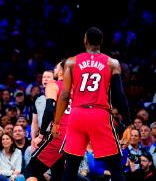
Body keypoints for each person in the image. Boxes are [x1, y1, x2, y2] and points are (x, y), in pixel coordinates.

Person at [51, 27, 131, 181]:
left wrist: (56, 122)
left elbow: (64, 95)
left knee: (72, 164)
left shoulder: (71, 62)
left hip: (77, 115)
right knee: (114, 164)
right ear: (101, 42)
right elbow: (119, 95)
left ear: (85, 40)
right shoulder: (112, 63)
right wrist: (128, 123)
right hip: (99, 114)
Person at [25, 59, 68, 181]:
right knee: (58, 174)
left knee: (31, 171)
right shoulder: (75, 89)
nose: (54, 70)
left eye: (55, 68)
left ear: (60, 73)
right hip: (73, 138)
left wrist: (41, 134)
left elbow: (49, 110)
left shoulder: (53, 86)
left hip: (58, 134)